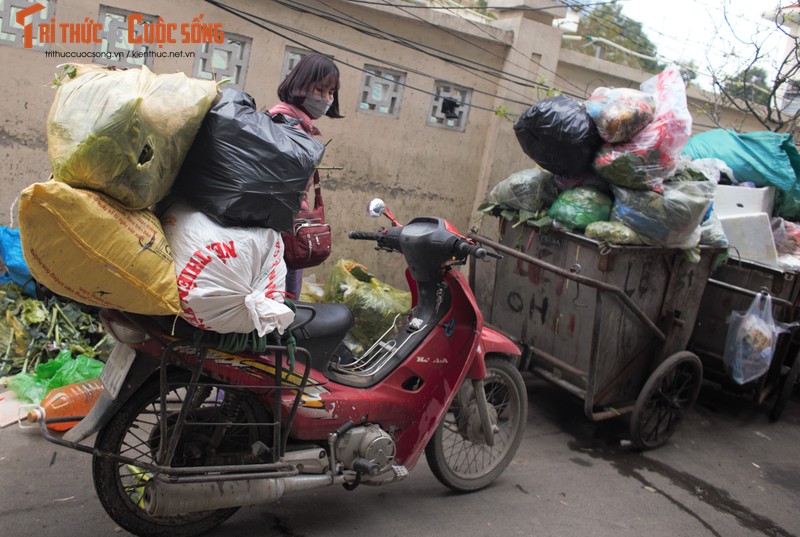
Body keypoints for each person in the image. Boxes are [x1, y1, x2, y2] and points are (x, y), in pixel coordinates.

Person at [269, 53, 344, 300]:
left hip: (287, 231)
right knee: (282, 303)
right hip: (280, 235)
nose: (326, 99)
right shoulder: (285, 123)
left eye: (331, 92)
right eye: (320, 90)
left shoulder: (300, 125)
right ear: (301, 84)